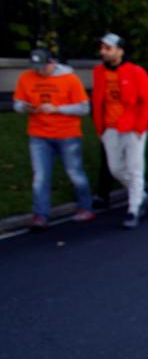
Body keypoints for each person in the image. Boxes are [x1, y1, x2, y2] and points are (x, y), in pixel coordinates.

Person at [13, 48, 94, 230]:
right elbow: (17, 104)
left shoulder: (70, 79)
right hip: (39, 135)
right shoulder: (26, 77)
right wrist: (26, 108)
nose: (39, 71)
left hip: (67, 134)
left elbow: (83, 108)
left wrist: (57, 109)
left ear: (52, 62)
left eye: (42, 67)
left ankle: (85, 207)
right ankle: (40, 216)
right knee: (40, 177)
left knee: (75, 173)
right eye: (36, 67)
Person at [92, 33, 148, 229]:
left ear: (120, 51)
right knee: (116, 169)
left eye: (108, 48)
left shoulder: (135, 72)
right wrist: (100, 128)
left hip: (132, 128)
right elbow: (97, 101)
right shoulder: (99, 72)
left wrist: (139, 127)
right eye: (102, 48)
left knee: (135, 169)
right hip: (110, 128)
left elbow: (147, 101)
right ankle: (142, 196)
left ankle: (133, 209)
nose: (103, 52)